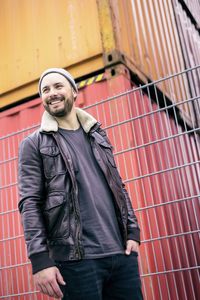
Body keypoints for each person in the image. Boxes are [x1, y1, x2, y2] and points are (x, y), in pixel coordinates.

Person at [18, 68, 143, 300]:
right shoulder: (33, 144)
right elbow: (30, 203)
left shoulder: (98, 136)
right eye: (45, 90)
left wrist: (133, 232)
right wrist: (40, 260)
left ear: (74, 92)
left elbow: (118, 186)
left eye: (58, 86)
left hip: (121, 255)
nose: (52, 93)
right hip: (76, 262)